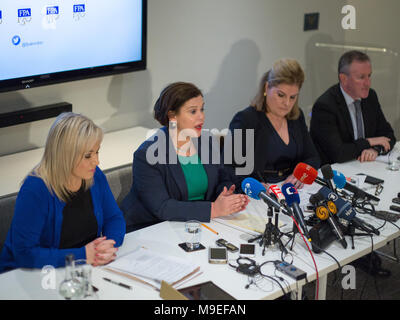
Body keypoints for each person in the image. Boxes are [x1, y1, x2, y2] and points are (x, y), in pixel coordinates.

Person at [0, 113, 126, 273]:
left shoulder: (94, 174)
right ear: (66, 155)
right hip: (31, 274)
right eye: (88, 155)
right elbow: (24, 254)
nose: (96, 161)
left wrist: (108, 245)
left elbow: (114, 218)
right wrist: (82, 255)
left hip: (83, 268)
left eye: (97, 152)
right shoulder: (36, 189)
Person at [121, 82, 249, 232]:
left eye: (202, 109)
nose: (201, 116)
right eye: (193, 111)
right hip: (151, 229)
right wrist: (213, 209)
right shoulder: (147, 155)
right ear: (172, 116)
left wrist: (226, 195)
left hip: (196, 225)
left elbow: (222, 179)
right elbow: (163, 207)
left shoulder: (206, 141)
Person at [228, 58, 320, 190]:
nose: (287, 103)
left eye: (293, 97)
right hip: (259, 193)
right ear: (267, 88)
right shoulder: (246, 120)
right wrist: (251, 185)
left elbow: (312, 157)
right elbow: (229, 169)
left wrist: (302, 174)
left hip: (293, 190)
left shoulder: (296, 117)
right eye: (281, 95)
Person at [310, 50, 396, 165]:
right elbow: (339, 153)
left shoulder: (370, 97)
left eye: (369, 76)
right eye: (361, 77)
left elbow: (388, 136)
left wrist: (375, 149)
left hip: (365, 166)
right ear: (344, 79)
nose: (368, 83)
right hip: (336, 172)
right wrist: (369, 142)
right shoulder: (325, 106)